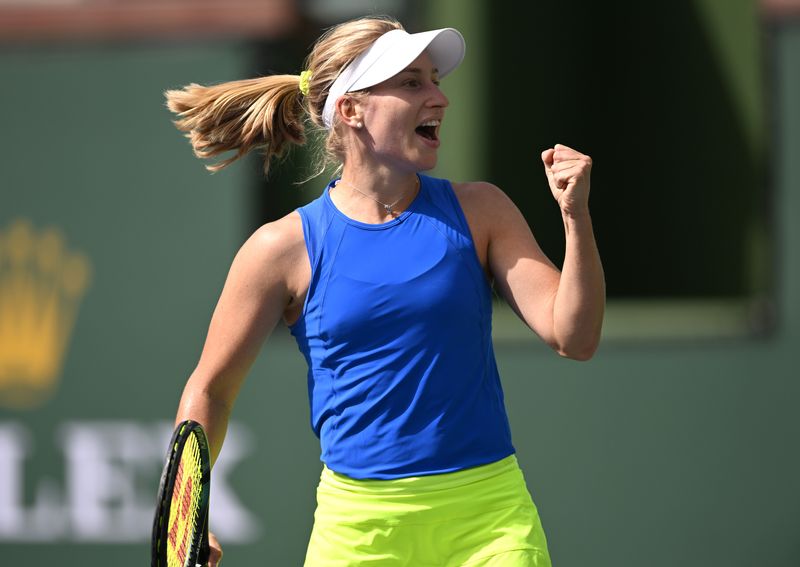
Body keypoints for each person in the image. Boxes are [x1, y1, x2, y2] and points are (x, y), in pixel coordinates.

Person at [165, 13, 604, 567]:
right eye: (411, 82)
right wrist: (190, 508)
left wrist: (576, 217)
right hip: (357, 531)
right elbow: (209, 390)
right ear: (351, 109)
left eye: (435, 82)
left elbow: (575, 336)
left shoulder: (482, 210)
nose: (438, 99)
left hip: (490, 522)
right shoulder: (281, 249)